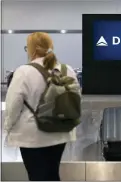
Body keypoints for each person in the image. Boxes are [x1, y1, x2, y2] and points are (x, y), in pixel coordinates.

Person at [4, 32, 79, 181]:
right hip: (60, 132)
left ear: (31, 49)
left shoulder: (23, 72)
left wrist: (8, 127)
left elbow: (13, 105)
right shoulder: (67, 69)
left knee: (37, 175)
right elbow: (76, 98)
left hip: (33, 135)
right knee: (52, 174)